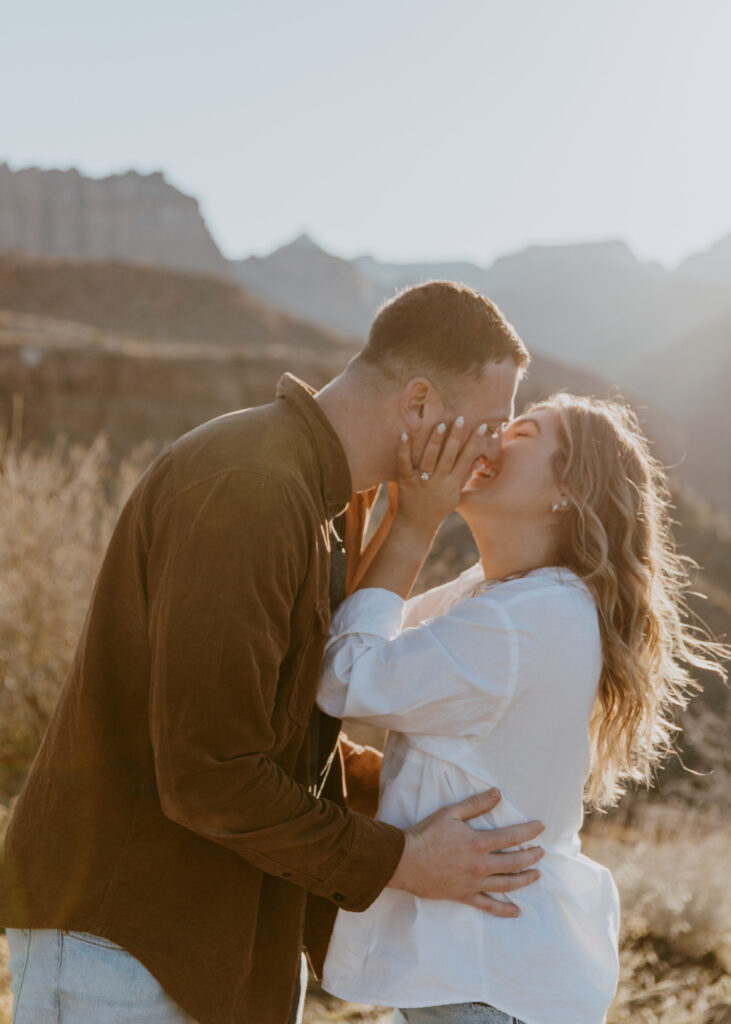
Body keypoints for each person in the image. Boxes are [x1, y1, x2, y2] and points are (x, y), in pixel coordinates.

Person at [0, 282, 546, 1024]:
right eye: (489, 425)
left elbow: (288, 728)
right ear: (417, 404)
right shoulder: (251, 489)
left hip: (215, 937)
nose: (490, 454)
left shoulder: (329, 496)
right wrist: (402, 861)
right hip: (125, 943)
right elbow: (211, 772)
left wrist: (427, 790)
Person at [316, 393, 728, 1024]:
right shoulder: (505, 596)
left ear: (567, 489)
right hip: (480, 976)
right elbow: (362, 637)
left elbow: (345, 678)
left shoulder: (528, 620)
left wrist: (414, 523)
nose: (493, 439)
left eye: (523, 432)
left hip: (486, 982)